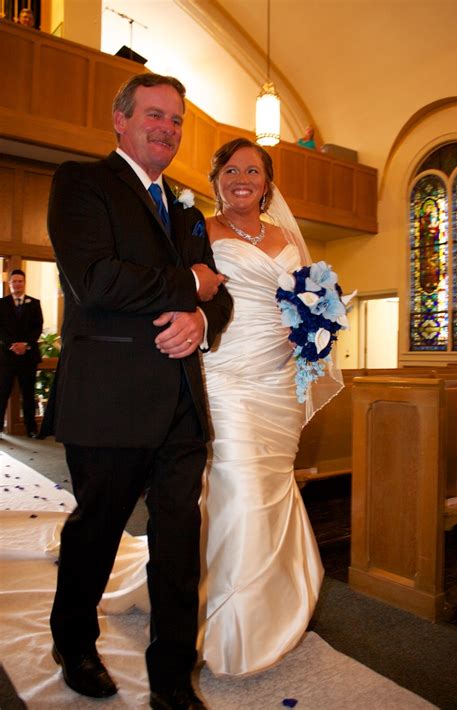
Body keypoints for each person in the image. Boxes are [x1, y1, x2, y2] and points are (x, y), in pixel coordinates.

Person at [41, 72, 232, 710]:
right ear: (120, 120)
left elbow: (220, 295)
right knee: (96, 533)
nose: (167, 128)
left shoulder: (188, 211)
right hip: (110, 401)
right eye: (154, 114)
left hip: (181, 404)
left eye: (176, 120)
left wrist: (203, 319)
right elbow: (95, 280)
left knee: (178, 547)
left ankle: (172, 681)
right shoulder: (81, 183)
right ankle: (73, 642)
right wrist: (190, 287)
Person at [199, 137, 342, 675]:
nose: (242, 179)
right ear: (216, 180)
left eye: (252, 171)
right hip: (226, 373)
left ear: (267, 183)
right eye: (231, 171)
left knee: (273, 481)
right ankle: (235, 617)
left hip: (279, 381)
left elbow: (310, 301)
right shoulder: (199, 231)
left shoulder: (286, 237)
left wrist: (314, 330)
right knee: (241, 482)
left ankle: (273, 599)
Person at [0, 268, 43, 438]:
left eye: (20, 281)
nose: (17, 284)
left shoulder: (35, 303)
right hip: (6, 357)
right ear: (9, 284)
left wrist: (25, 345)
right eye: (14, 281)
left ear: (24, 283)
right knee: (2, 393)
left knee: (28, 394)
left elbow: (38, 327)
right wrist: (12, 345)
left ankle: (31, 429)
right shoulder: (1, 303)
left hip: (28, 357)